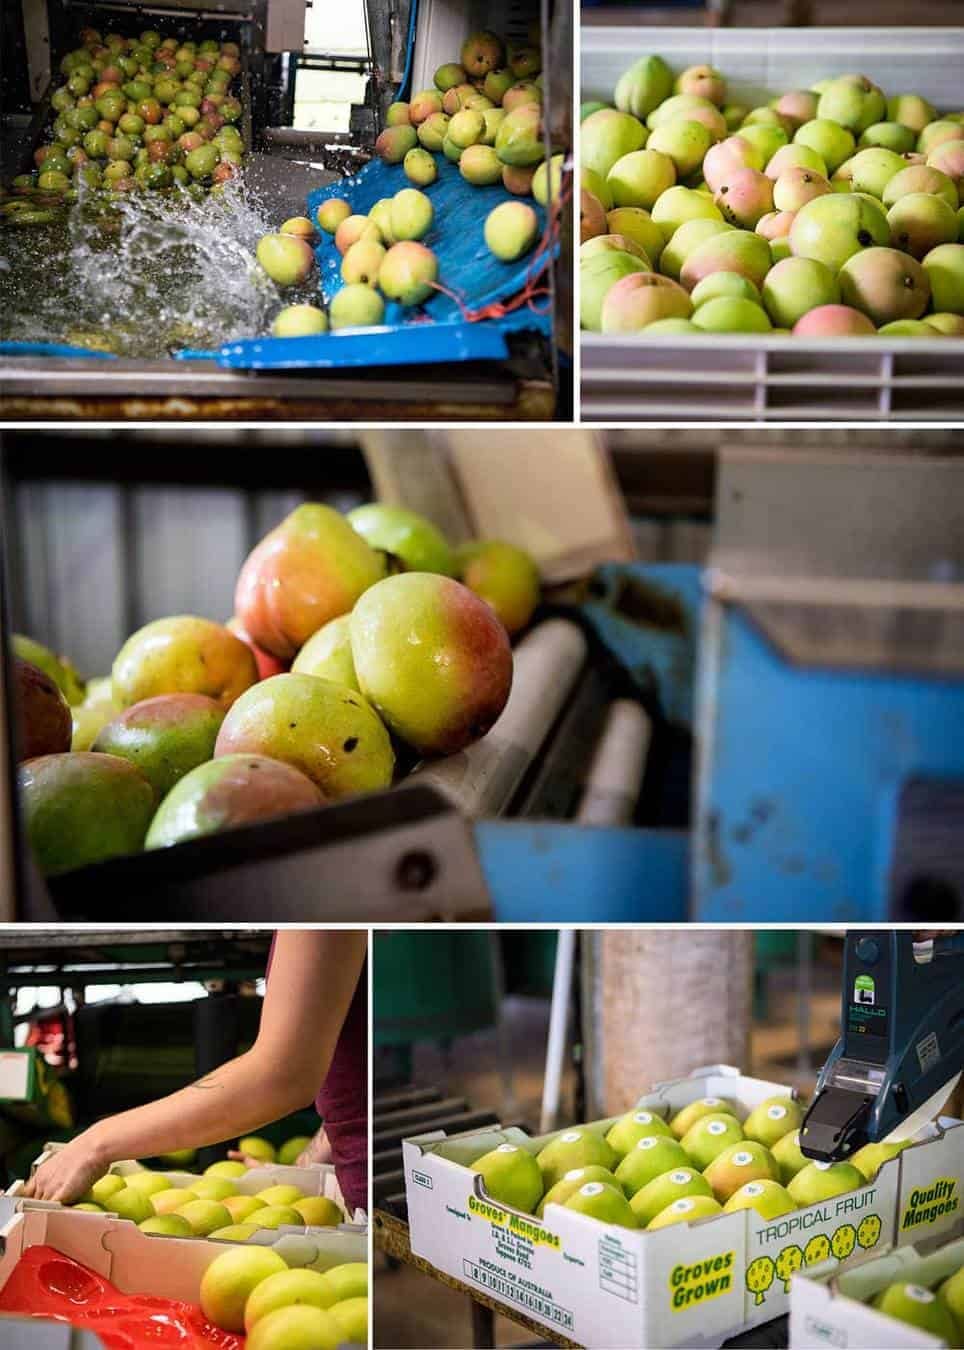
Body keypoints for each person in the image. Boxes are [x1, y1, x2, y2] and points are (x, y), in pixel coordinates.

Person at [24, 930, 367, 1215]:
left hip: (372, 1184)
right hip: (358, 1175)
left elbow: (282, 1076)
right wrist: (303, 1172)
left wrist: (95, 1145)